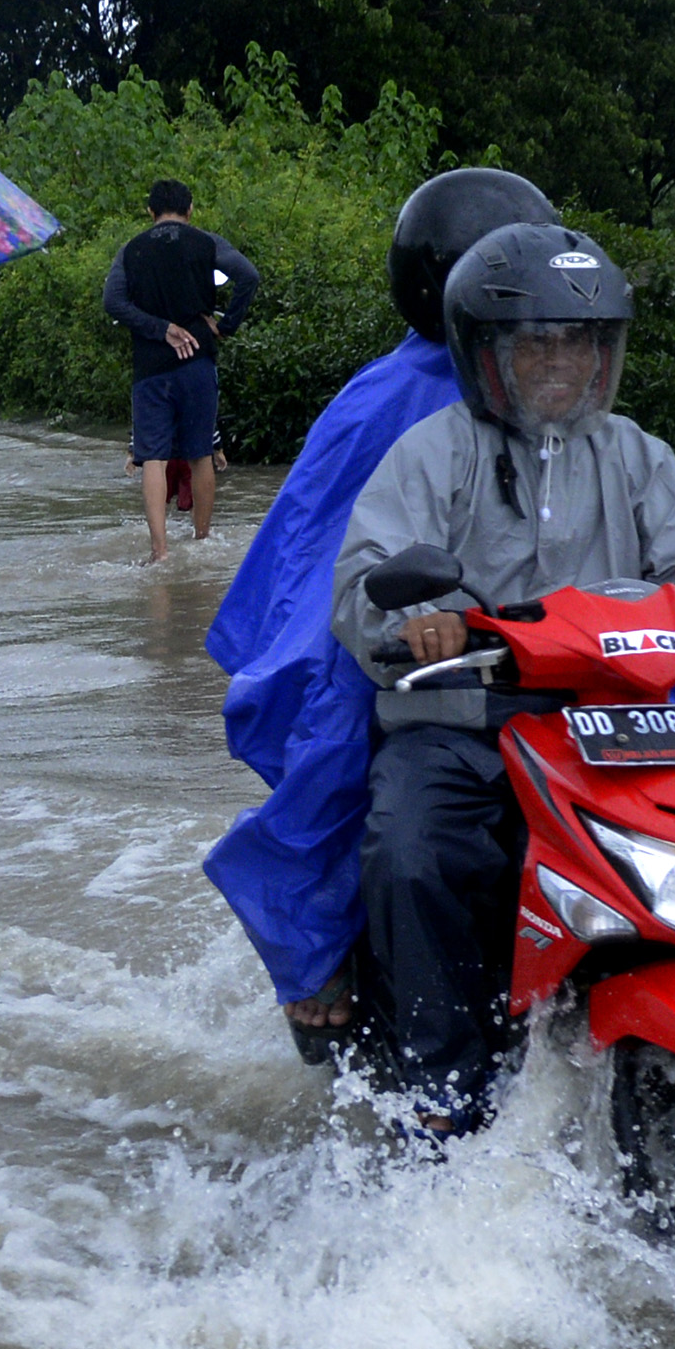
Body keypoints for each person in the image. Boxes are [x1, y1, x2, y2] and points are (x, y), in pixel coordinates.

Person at [329, 224, 675, 1137]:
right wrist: (415, 619)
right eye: (536, 343)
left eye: (581, 342)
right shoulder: (433, 451)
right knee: (414, 853)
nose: (561, 362)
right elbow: (366, 575)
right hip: (466, 718)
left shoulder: (633, 452)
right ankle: (439, 1091)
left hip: (613, 721)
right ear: (485, 353)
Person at [199, 166, 552, 1055]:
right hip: (398, 649)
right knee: (346, 727)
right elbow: (332, 571)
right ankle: (319, 942)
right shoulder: (402, 400)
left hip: (523, 661)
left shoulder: (561, 393)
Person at [102, 179, 258, 562]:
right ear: (190, 210)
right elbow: (248, 277)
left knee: (152, 458)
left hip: (151, 367)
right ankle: (202, 540)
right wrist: (226, 325)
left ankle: (159, 551)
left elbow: (113, 302)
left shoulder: (131, 249)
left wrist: (160, 328)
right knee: (200, 454)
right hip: (198, 362)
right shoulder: (206, 242)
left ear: (150, 212)